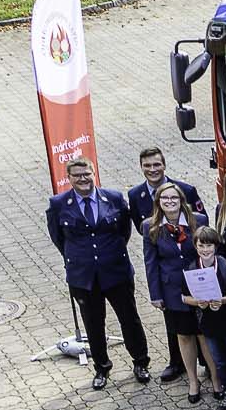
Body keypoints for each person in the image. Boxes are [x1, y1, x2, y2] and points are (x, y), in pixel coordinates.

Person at [47, 157, 150, 389]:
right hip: (83, 277)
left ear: (94, 174)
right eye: (77, 175)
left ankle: (141, 362)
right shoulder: (58, 204)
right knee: (93, 325)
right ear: (69, 178)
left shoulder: (113, 198)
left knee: (129, 319)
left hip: (116, 271)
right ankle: (102, 367)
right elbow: (59, 238)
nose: (83, 179)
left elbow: (123, 232)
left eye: (87, 174)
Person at [127, 147, 205, 384]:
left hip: (193, 273)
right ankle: (177, 363)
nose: (152, 170)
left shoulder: (186, 190)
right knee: (176, 324)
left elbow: (203, 230)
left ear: (164, 165)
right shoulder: (135, 195)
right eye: (147, 166)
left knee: (202, 323)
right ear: (141, 167)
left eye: (156, 165)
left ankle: (207, 363)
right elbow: (143, 234)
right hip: (167, 274)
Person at [143, 182, 214, 404]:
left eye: (174, 198)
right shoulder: (150, 227)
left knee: (205, 334)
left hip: (198, 286)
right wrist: (156, 294)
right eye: (165, 199)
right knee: (184, 335)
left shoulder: (198, 221)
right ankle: (193, 380)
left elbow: (208, 252)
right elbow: (151, 263)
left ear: (182, 200)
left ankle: (217, 378)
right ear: (158, 203)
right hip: (172, 289)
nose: (170, 202)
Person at [185, 228, 226, 410]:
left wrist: (222, 300)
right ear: (195, 246)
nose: (205, 249)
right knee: (219, 361)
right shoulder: (191, 269)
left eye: (209, 245)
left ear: (215, 246)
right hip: (208, 325)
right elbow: (184, 297)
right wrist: (197, 301)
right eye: (201, 246)